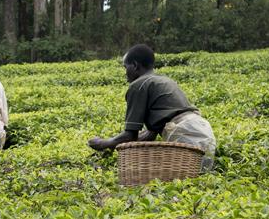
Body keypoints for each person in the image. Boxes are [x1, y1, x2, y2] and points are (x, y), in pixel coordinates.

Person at [87, 44, 216, 170]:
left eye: (125, 67)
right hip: (203, 132)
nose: (125, 72)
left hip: (184, 135)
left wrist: (102, 143)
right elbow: (149, 135)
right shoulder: (164, 80)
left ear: (135, 66)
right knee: (198, 177)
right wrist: (114, 144)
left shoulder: (139, 85)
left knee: (175, 180)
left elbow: (130, 135)